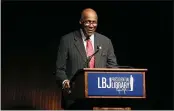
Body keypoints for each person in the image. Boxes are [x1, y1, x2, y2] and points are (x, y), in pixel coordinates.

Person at [55, 8, 118, 110]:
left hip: (101, 100)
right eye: (88, 22)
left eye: (94, 22)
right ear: (81, 21)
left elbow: (113, 68)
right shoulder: (67, 40)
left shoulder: (106, 42)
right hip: (75, 99)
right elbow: (59, 69)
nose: (91, 26)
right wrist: (65, 81)